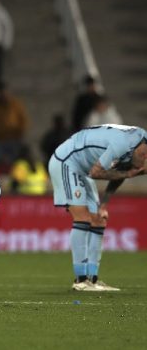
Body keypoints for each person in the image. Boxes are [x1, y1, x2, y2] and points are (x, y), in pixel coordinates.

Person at [49, 124, 147, 292]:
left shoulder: (138, 144)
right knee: (83, 217)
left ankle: (92, 279)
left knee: (98, 220)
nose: (140, 167)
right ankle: (80, 280)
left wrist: (104, 204)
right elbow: (96, 172)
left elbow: (120, 173)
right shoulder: (122, 144)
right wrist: (131, 174)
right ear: (144, 152)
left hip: (82, 168)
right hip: (67, 161)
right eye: (143, 163)